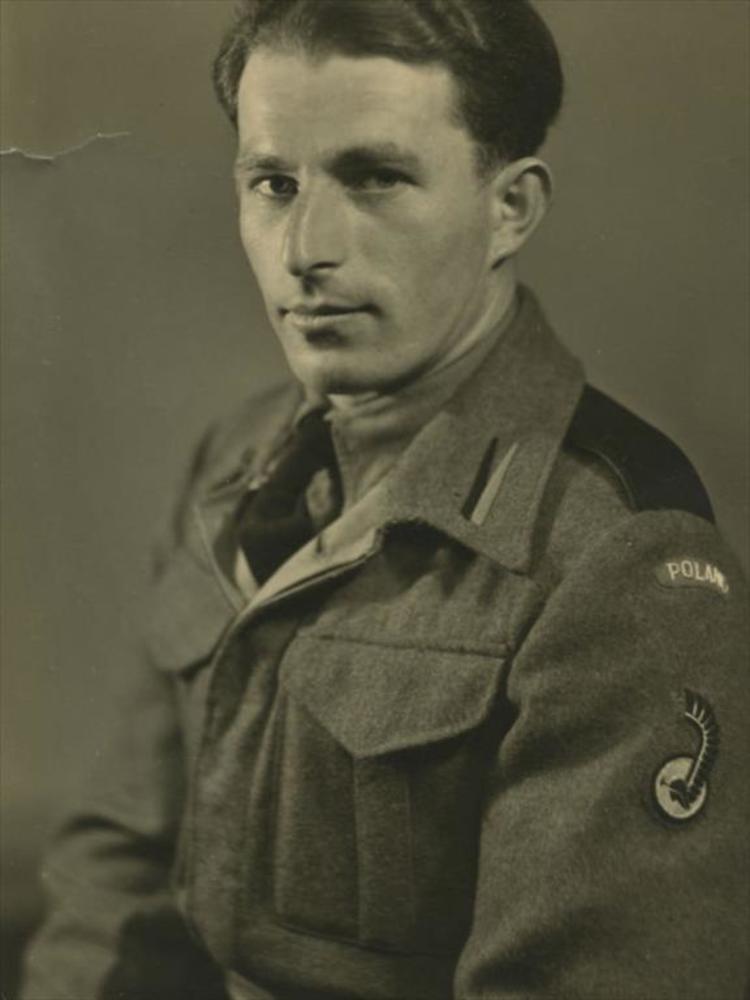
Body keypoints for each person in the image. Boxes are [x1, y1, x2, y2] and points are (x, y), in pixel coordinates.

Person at [20, 1, 749, 998]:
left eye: (375, 178)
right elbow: (120, 879)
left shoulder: (614, 550)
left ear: (510, 210)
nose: (305, 248)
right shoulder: (236, 463)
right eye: (273, 184)